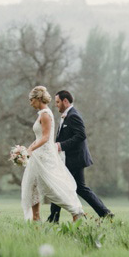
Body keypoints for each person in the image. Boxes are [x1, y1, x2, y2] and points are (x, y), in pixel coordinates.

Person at [48, 90, 114, 222]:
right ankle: (105, 213)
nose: (56, 105)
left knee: (62, 186)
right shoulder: (67, 116)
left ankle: (53, 219)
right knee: (72, 187)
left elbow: (81, 136)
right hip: (68, 159)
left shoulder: (73, 116)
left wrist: (60, 146)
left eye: (57, 102)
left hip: (75, 160)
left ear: (65, 101)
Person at [21, 86, 84, 222]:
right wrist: (27, 149)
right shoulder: (42, 113)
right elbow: (39, 138)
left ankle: (76, 211)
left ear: (38, 99)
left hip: (44, 156)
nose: (30, 103)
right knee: (32, 185)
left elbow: (45, 137)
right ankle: (35, 218)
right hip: (37, 155)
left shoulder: (45, 114)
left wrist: (31, 150)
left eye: (31, 100)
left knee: (52, 187)